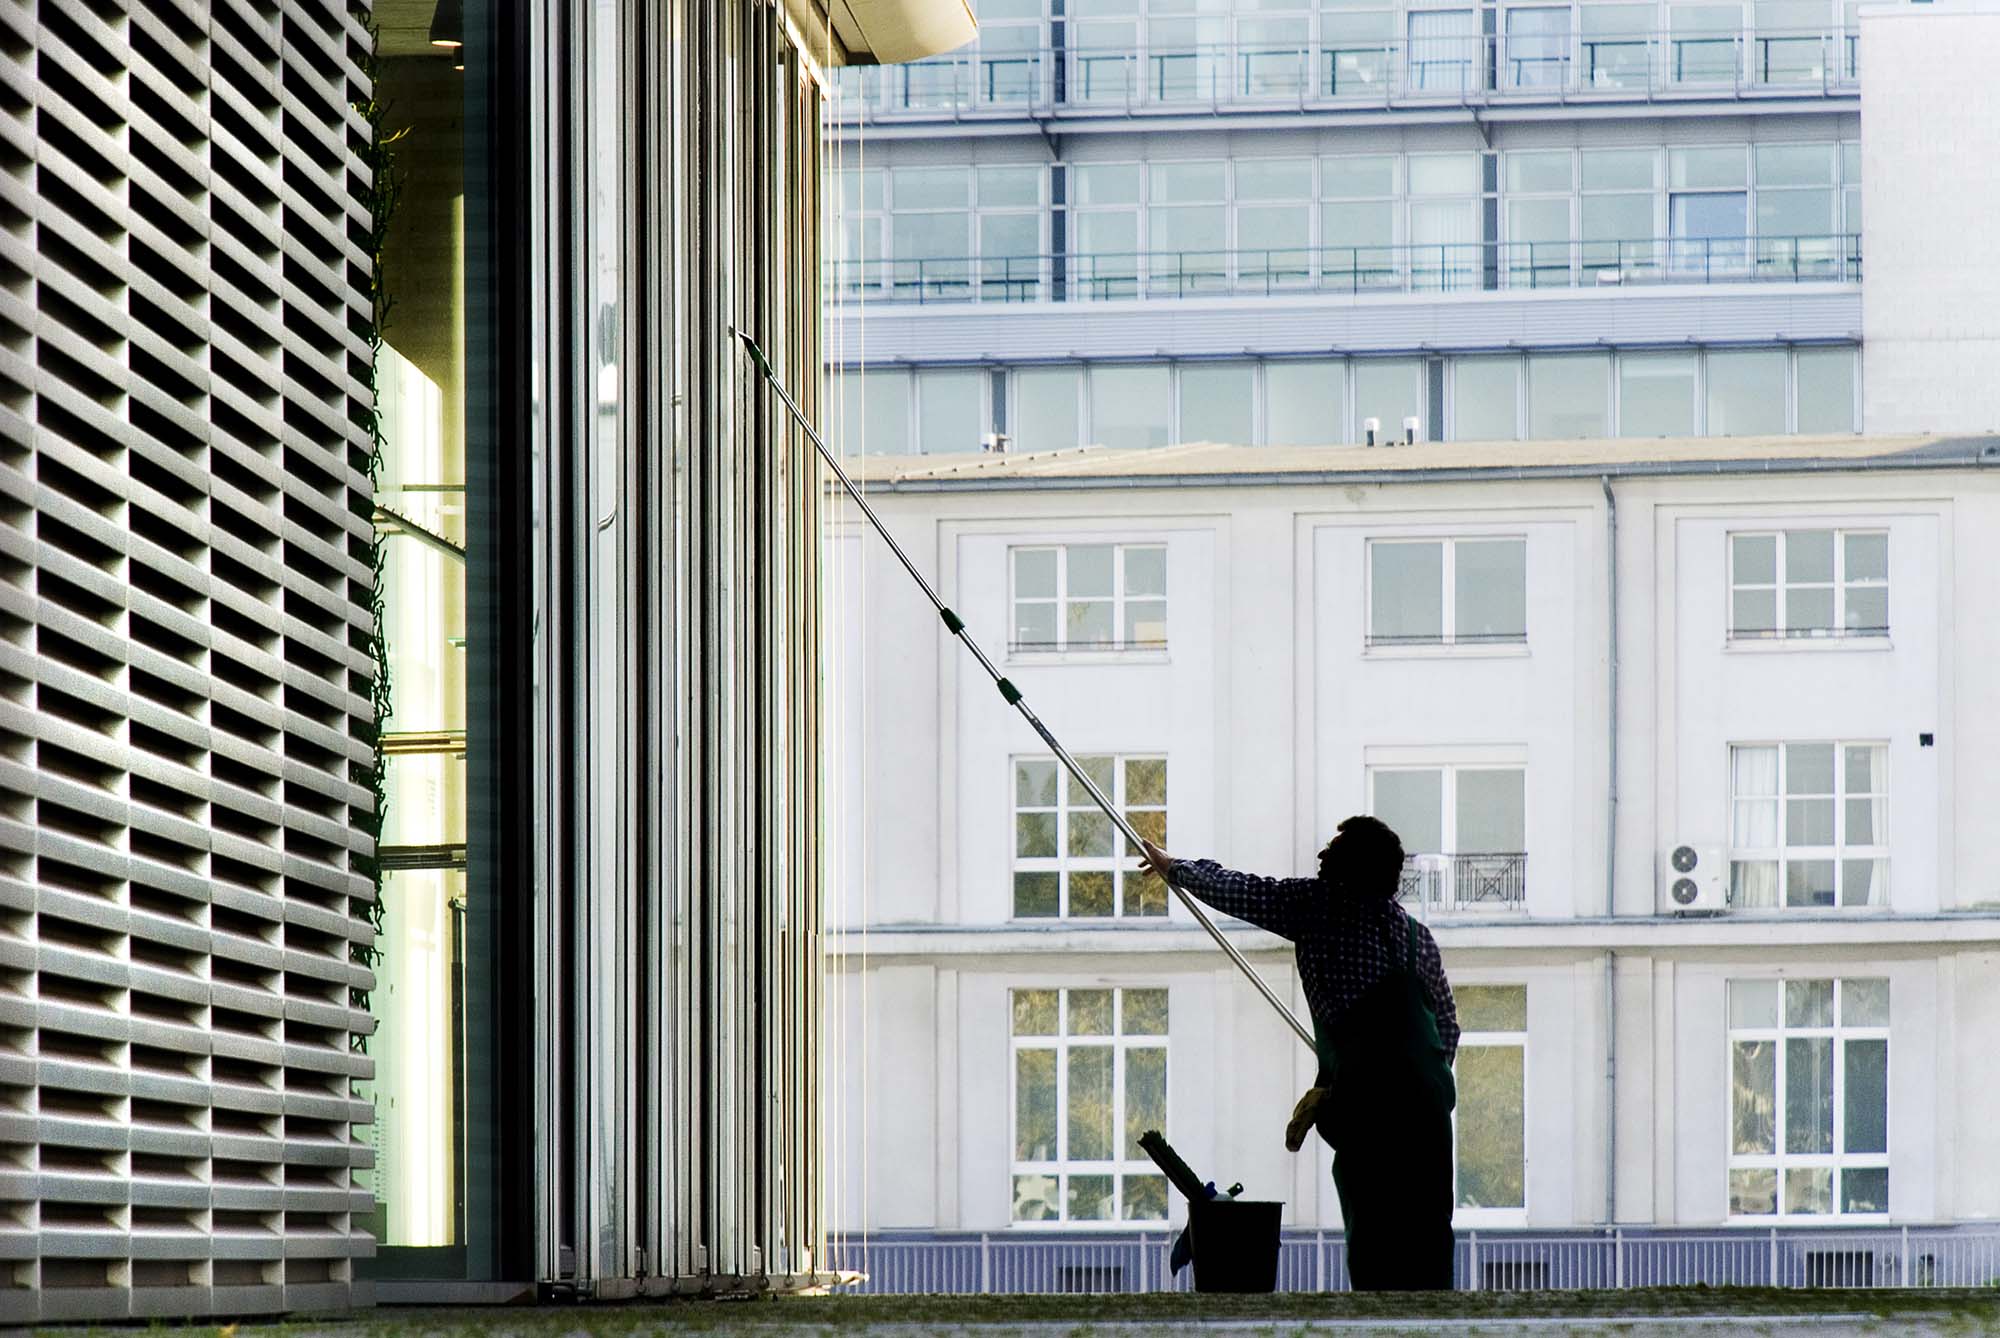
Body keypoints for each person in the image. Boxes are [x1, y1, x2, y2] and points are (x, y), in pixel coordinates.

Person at [1136, 815, 1459, 1291]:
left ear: (1340, 865)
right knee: (1428, 1242)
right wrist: (1417, 1078)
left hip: (1368, 1114)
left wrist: (1176, 869)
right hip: (1429, 1119)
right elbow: (1448, 1025)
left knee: (1375, 1244)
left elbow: (1243, 891)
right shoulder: (1418, 938)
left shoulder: (1319, 907)